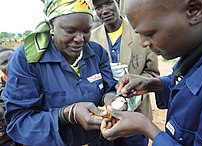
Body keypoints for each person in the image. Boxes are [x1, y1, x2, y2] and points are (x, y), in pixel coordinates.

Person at [100, 0, 202, 145]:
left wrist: (147, 128)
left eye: (150, 33)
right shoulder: (198, 49)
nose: (143, 43)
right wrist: (154, 84)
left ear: (195, 9)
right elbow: (187, 80)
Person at [1, 0, 121, 145]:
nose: (80, 39)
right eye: (70, 31)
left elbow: (109, 88)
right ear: (51, 25)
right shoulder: (27, 60)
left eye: (86, 30)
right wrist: (66, 114)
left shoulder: (97, 53)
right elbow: (19, 121)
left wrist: (110, 98)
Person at [90, 0, 159, 145]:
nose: (104, 10)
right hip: (105, 120)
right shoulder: (91, 39)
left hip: (137, 118)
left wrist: (136, 88)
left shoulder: (140, 32)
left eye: (108, 3)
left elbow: (152, 73)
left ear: (118, 3)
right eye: (98, 7)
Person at [0, 48, 21, 146]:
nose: (10, 64)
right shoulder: (1, 92)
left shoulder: (36, 82)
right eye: (4, 62)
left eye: (13, 58)